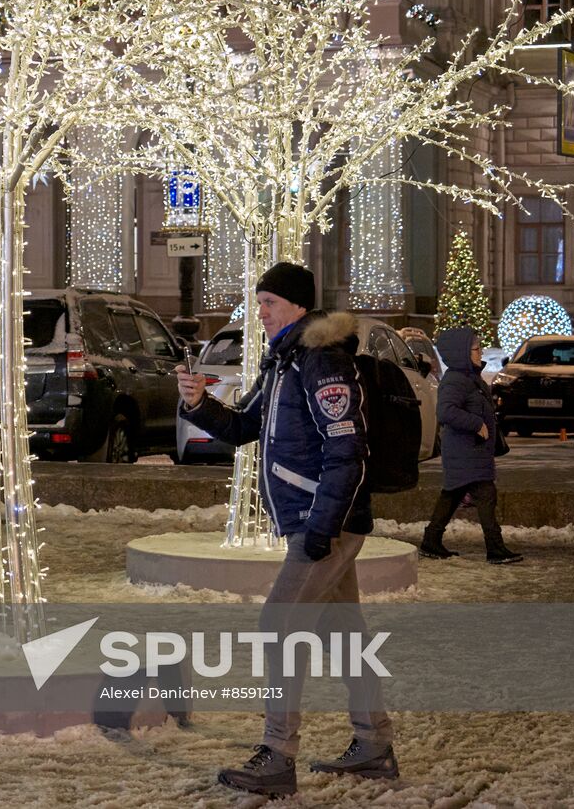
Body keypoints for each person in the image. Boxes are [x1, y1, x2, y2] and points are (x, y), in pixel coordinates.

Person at [176, 262, 396, 798]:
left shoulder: (321, 361)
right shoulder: (284, 360)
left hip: (324, 522)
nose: (260, 311)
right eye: (259, 302)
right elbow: (245, 427)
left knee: (278, 624)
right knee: (346, 638)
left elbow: (347, 449)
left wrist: (321, 529)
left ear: (297, 305)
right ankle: (374, 746)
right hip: (321, 521)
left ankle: (278, 755)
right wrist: (197, 403)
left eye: (268, 302)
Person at [421, 327, 523, 564]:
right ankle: (495, 549)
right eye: (476, 349)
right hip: (465, 450)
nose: (481, 353)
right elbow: (446, 411)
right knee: (486, 496)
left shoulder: (469, 378)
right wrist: (476, 423)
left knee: (452, 494)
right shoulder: (456, 380)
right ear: (462, 353)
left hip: (472, 451)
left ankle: (431, 541)